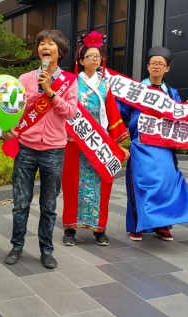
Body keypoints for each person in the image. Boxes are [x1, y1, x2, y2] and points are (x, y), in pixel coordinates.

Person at [2, 30, 78, 269]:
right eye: (42, 44)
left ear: (60, 51)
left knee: (49, 205)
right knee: (20, 202)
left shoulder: (69, 81)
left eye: (51, 44)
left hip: (54, 150)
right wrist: (7, 127)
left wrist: (50, 92)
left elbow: (71, 112)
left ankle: (46, 250)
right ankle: (16, 246)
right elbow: (12, 108)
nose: (45, 47)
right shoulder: (25, 78)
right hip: (26, 148)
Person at [118, 46, 188, 241]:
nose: (157, 66)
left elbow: (180, 118)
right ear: (147, 67)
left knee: (166, 184)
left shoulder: (172, 93)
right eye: (153, 63)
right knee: (140, 185)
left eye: (161, 64)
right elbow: (122, 111)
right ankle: (139, 225)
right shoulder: (135, 90)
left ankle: (162, 225)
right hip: (141, 144)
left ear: (167, 69)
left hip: (164, 146)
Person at [62, 31, 129, 246]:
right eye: (90, 56)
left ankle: (99, 228)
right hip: (75, 141)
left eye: (97, 56)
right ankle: (70, 228)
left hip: (98, 141)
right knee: (72, 183)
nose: (95, 59)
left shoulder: (105, 85)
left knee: (102, 183)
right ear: (80, 61)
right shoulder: (71, 83)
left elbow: (112, 114)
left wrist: (118, 144)